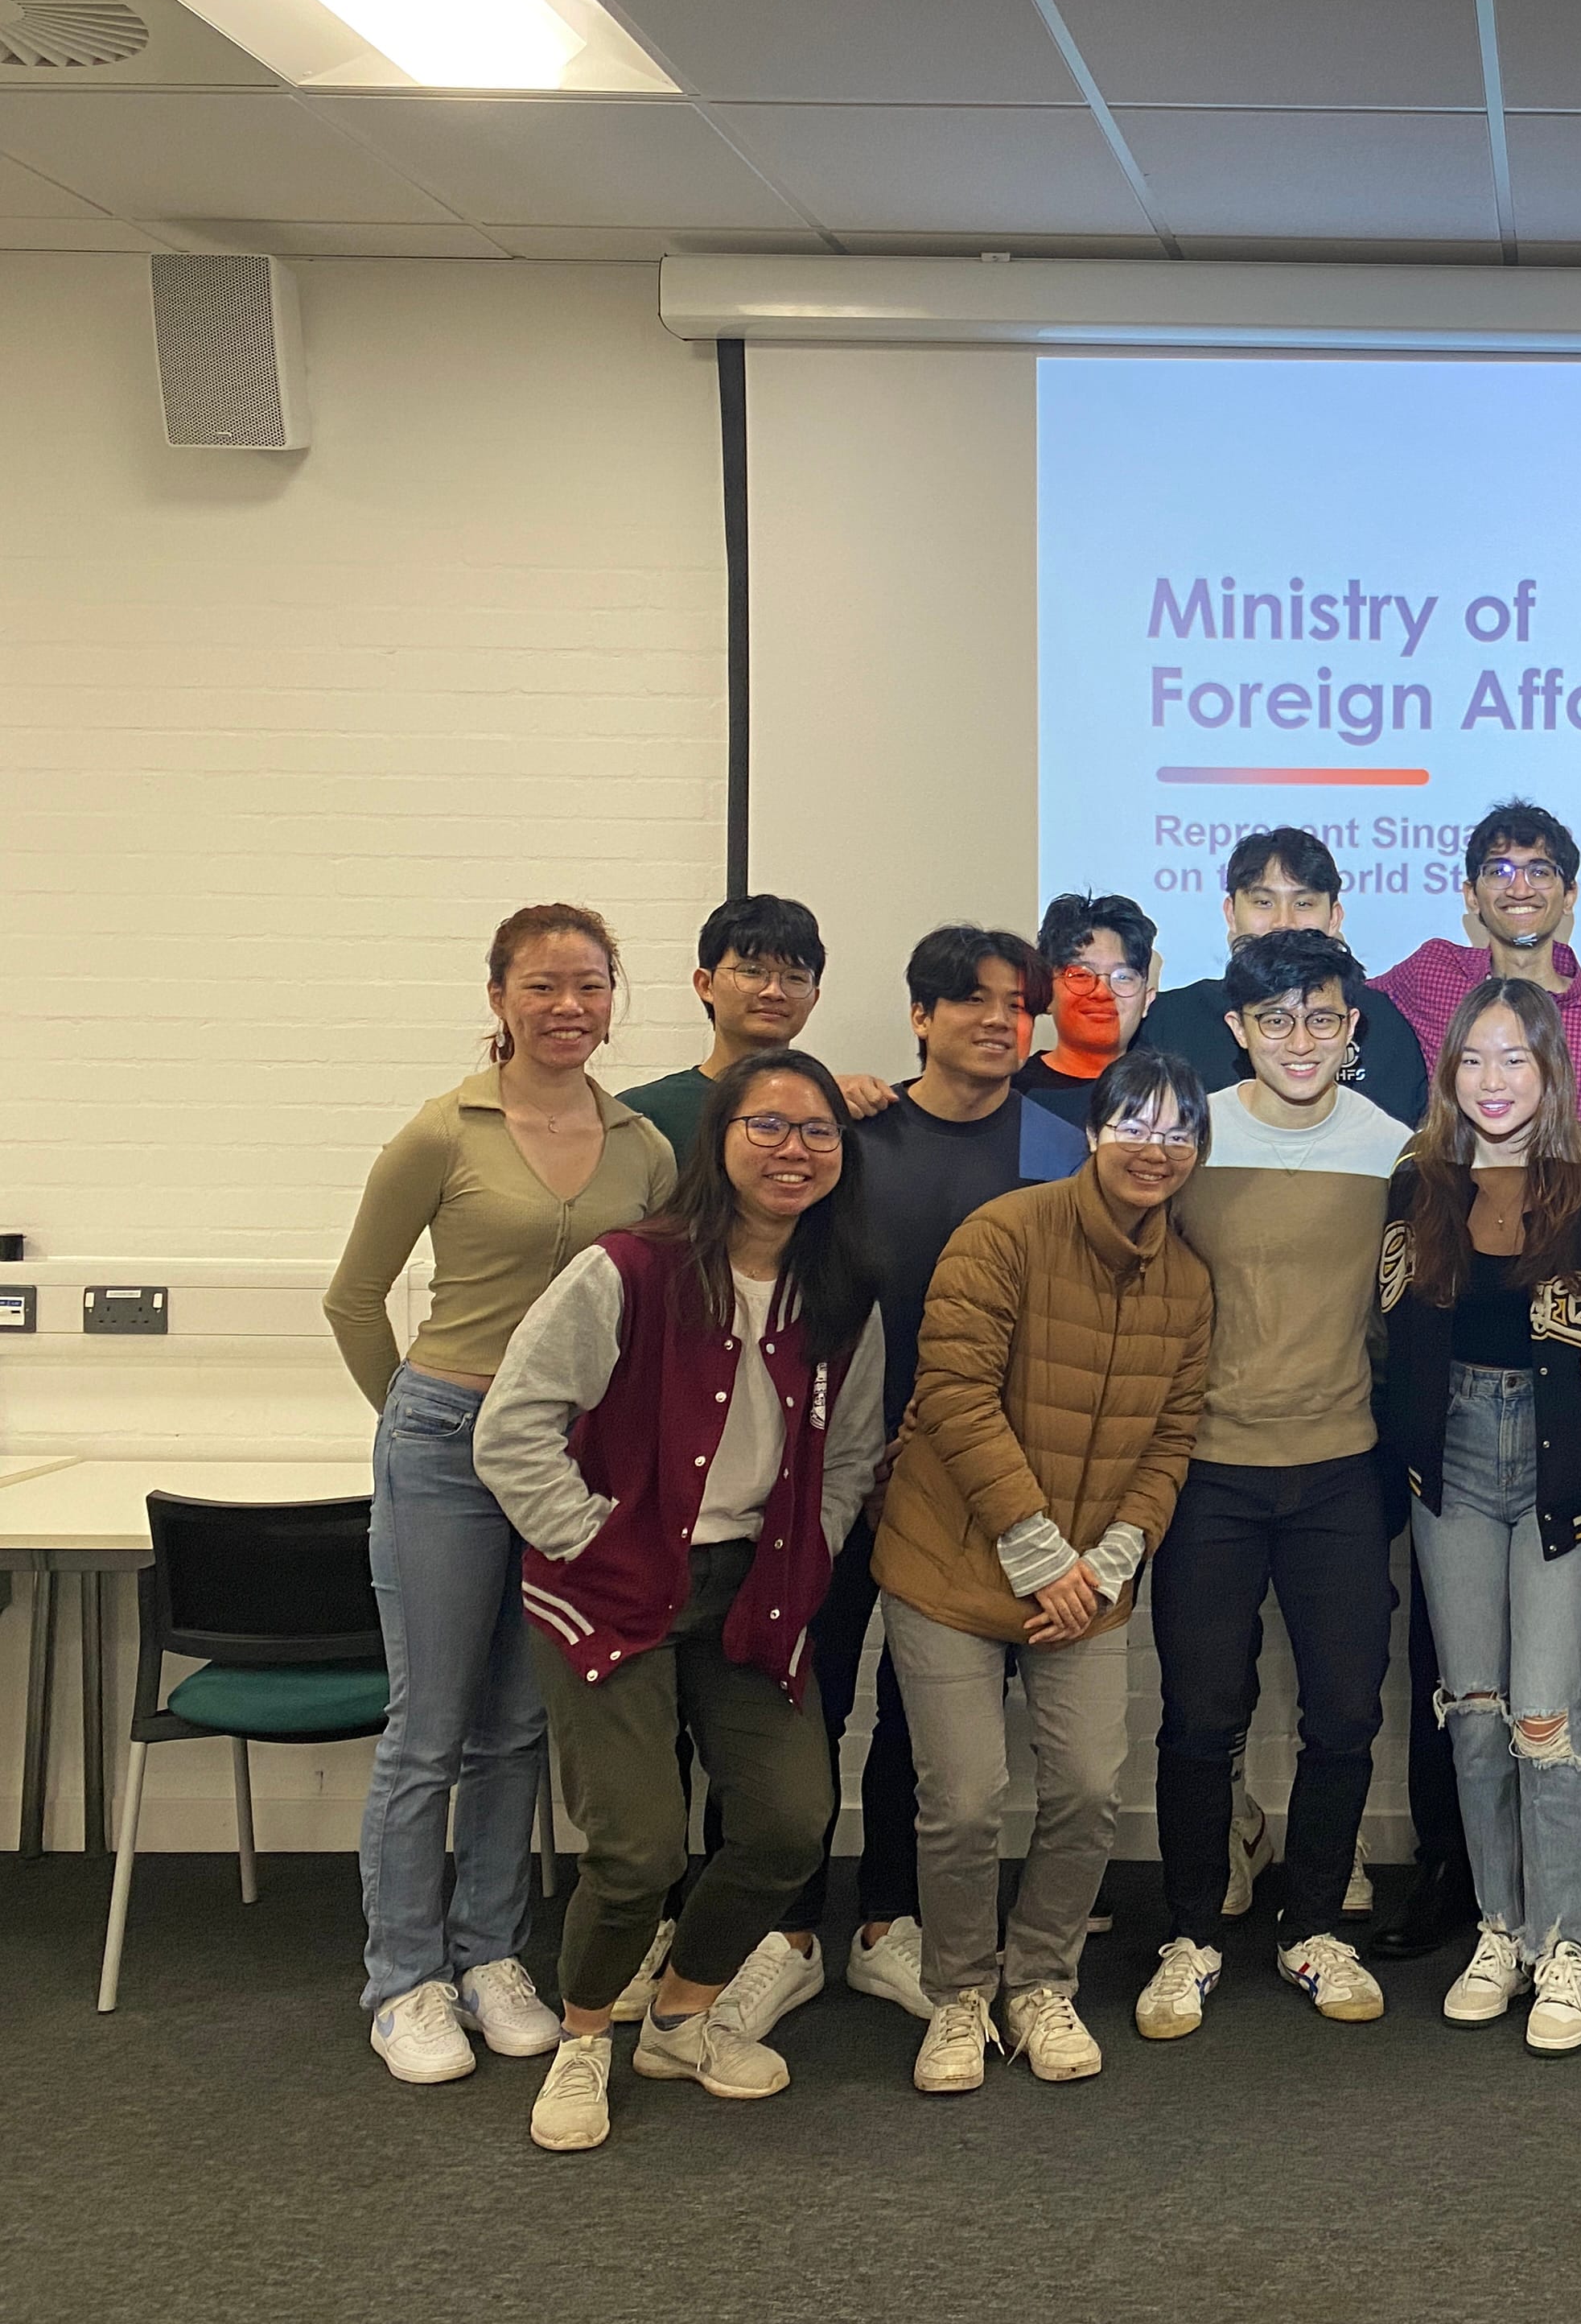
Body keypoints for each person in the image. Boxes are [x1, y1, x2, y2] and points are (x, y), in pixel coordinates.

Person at [473, 1048, 885, 2152]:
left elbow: (851, 1456)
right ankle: (582, 2040)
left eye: (819, 1131)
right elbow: (510, 1429)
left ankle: (681, 2020)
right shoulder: (627, 1269)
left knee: (789, 1823)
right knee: (639, 1849)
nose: (795, 1150)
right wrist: (590, 1540)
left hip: (753, 1588)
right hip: (613, 1588)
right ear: (721, 1140)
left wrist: (809, 1549)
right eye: (769, 1126)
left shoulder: (842, 1295)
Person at [688, 925, 1089, 2048]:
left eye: (1018, 1005)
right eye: (972, 1001)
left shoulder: (1061, 1146)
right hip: (823, 1470)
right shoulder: (855, 1135)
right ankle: (780, 1932)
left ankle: (887, 1922)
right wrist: (843, 1461)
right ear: (921, 1016)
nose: (999, 1022)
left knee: (929, 1722)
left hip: (970, 1484)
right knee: (792, 1694)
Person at [322, 903, 677, 2087]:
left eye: (590, 985)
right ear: (498, 999)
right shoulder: (444, 1131)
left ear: (613, 1000)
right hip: (444, 1439)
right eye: (542, 985)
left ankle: (488, 1957)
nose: (568, 1006)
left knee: (518, 1726)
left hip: (568, 1460)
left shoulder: (642, 1145)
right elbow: (353, 1298)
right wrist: (410, 1417)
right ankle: (404, 1981)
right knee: (428, 1728)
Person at [871, 1048, 1215, 2093]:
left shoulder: (1189, 1280)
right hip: (952, 1559)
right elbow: (953, 1395)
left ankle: (1041, 1983)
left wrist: (1109, 1563)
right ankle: (960, 1994)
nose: (1155, 1149)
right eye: (1134, 1125)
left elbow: (1173, 1436)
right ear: (1093, 1134)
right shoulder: (1004, 1233)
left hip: (1085, 1586)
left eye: (1179, 1131)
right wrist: (1039, 1554)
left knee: (1089, 1787)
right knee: (966, 1800)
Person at [1135, 930, 1413, 2043]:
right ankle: (1191, 1935)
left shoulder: (1395, 1149)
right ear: (1237, 1029)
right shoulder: (1190, 1139)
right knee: (1202, 1716)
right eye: (1276, 1020)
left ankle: (1315, 1929)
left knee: (1345, 1713)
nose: (1301, 1041)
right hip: (1209, 1473)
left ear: (1353, 1030)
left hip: (1340, 1469)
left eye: (1323, 1019)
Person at [1380, 980, 1581, 2057]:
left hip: (1558, 1465)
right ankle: (1504, 1928)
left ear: (1551, 1069)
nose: (1493, 1082)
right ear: (1450, 1073)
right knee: (1476, 1712)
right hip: (1449, 1459)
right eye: (1474, 1060)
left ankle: (1571, 1946)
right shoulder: (1418, 1181)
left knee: (1545, 1716)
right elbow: (1392, 1332)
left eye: (1516, 1060)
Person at [1375, 800, 1581, 1131]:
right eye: (1499, 872)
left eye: (1539, 872)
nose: (1520, 890)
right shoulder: (1432, 973)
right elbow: (1342, 1001)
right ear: (1471, 896)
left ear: (1569, 895)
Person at [1138, 826, 1431, 1127]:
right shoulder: (1172, 1019)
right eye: (1263, 902)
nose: (1284, 922)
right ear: (1231, 914)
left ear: (1334, 917)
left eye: (1303, 903)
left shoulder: (1380, 1021)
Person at [619, 894, 895, 1153]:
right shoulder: (644, 1114)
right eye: (752, 972)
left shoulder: (835, 1108)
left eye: (795, 978)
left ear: (814, 997)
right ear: (705, 985)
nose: (774, 992)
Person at [1017, 892, 1159, 1138]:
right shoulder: (1010, 1092)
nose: (1102, 992)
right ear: (1046, 992)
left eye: (1123, 977)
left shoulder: (1168, 1095)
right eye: (1081, 974)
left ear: (1147, 1000)